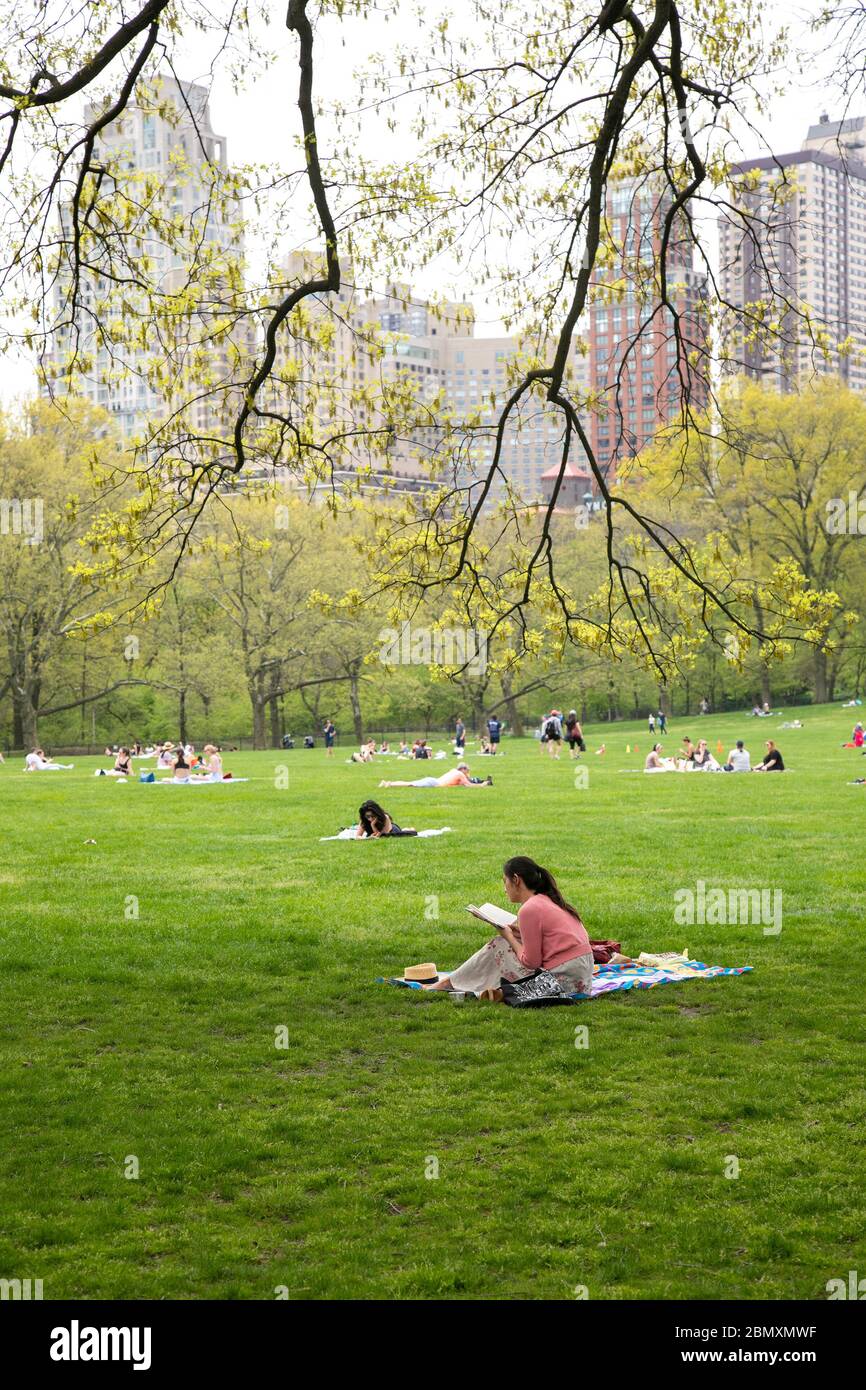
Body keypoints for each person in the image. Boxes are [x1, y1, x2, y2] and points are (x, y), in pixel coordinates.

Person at [425, 856, 594, 998]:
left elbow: (531, 962)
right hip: (582, 979)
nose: (504, 889)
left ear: (516, 880)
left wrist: (509, 936)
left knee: (500, 944)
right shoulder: (549, 900)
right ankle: (459, 981)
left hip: (562, 982)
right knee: (506, 942)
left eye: (504, 881)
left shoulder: (529, 909)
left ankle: (451, 982)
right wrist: (520, 934)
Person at [379, 763, 491, 789]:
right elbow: (468, 785)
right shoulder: (460, 774)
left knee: (410, 782)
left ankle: (389, 783)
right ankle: (389, 784)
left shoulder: (454, 771)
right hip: (434, 783)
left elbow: (458, 783)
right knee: (410, 784)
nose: (468, 772)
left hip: (433, 780)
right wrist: (482, 785)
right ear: (463, 769)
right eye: (467, 770)